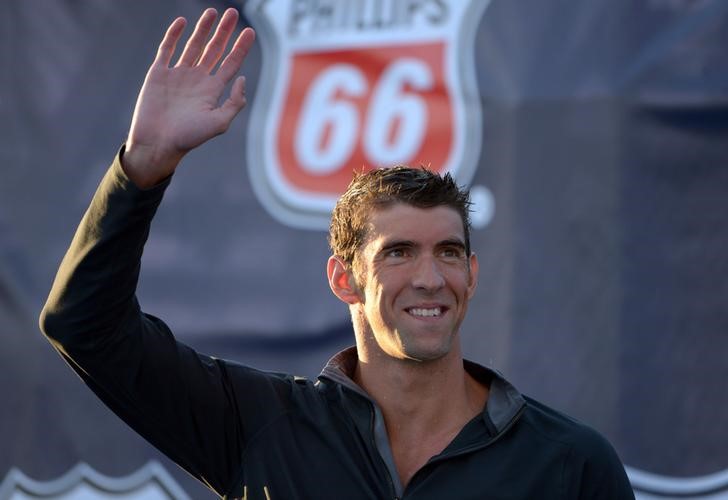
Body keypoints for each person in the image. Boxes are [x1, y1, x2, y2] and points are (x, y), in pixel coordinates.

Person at [40, 7, 635, 500]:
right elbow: (84, 328)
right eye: (398, 252)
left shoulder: (569, 465)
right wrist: (141, 169)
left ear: (472, 276)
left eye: (449, 253)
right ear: (343, 278)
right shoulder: (260, 426)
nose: (430, 278)